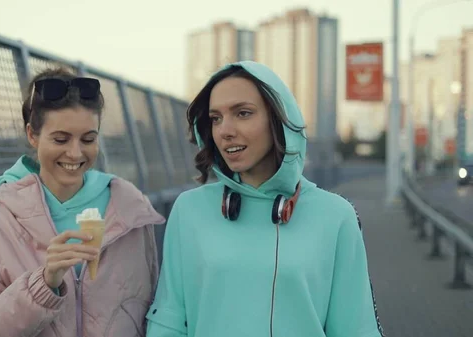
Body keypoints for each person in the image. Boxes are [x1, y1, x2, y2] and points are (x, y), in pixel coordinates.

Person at [145, 61, 384, 337]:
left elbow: (356, 328)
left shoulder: (336, 216)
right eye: (216, 118)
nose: (225, 130)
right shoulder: (189, 210)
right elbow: (169, 320)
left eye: (243, 113)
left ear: (277, 120)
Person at [0, 67, 165, 337]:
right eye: (61, 139)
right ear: (32, 135)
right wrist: (44, 283)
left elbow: (155, 312)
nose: (75, 152)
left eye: (89, 139)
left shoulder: (132, 211)